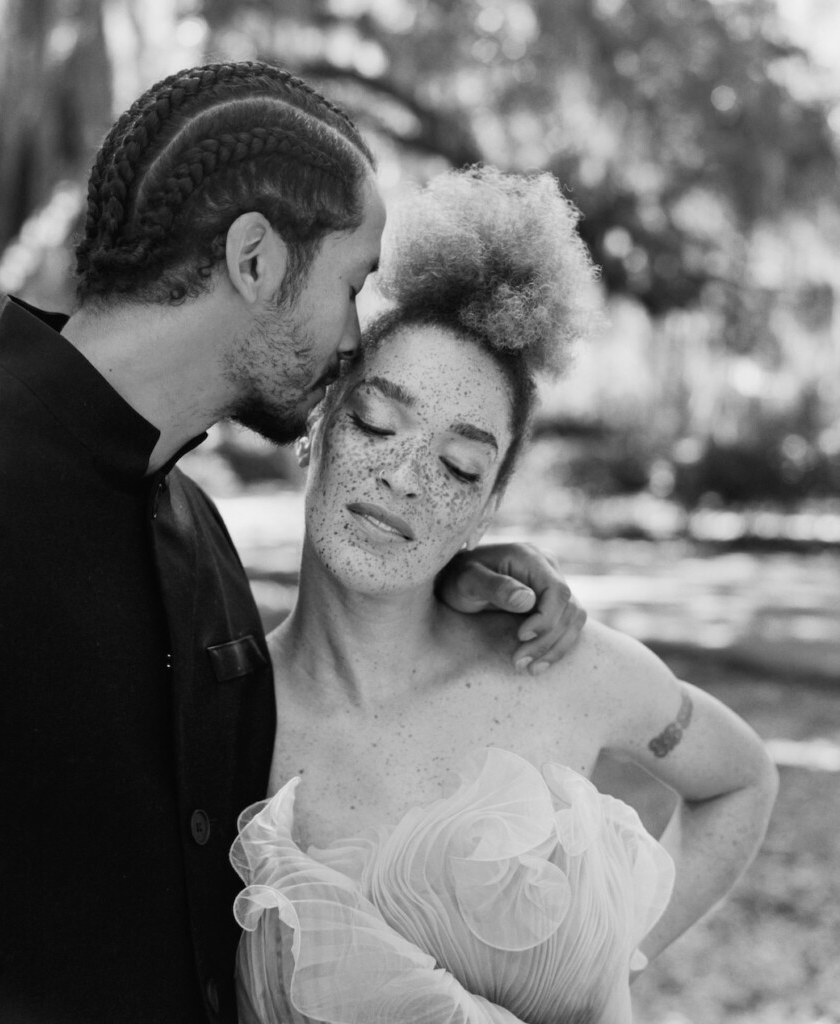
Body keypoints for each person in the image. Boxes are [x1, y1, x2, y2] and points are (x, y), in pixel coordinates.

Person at [0, 63, 585, 1024]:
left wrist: (439, 583)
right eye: (351, 282)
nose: (353, 337)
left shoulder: (195, 534)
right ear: (255, 260)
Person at [231, 167, 780, 1023]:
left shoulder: (557, 666)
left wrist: (614, 965)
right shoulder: (220, 712)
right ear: (318, 426)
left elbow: (740, 781)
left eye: (458, 465)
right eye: (377, 424)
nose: (405, 478)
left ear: (487, 507)